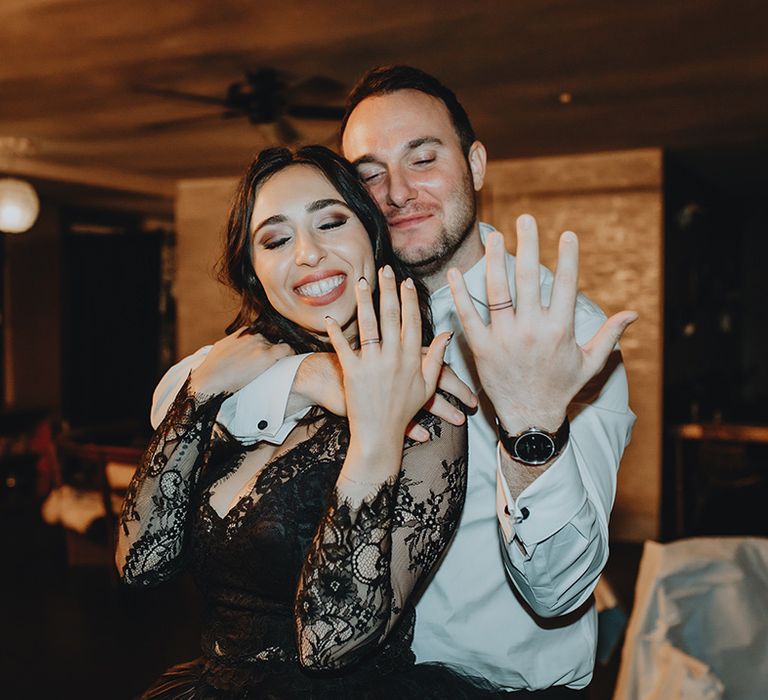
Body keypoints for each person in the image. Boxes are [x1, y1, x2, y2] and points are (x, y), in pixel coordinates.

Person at [152, 66, 637, 696]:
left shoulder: (565, 331)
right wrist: (308, 376)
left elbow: (560, 590)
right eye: (369, 173)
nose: (397, 192)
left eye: (423, 158)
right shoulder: (340, 302)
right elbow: (174, 398)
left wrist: (529, 430)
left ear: (476, 164)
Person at [116, 145, 494, 699]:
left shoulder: (426, 404)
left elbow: (329, 643)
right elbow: (141, 562)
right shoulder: (240, 381)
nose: (309, 254)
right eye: (276, 239)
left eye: (330, 222)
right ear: (254, 271)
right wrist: (198, 396)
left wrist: (376, 436)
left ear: (373, 235)